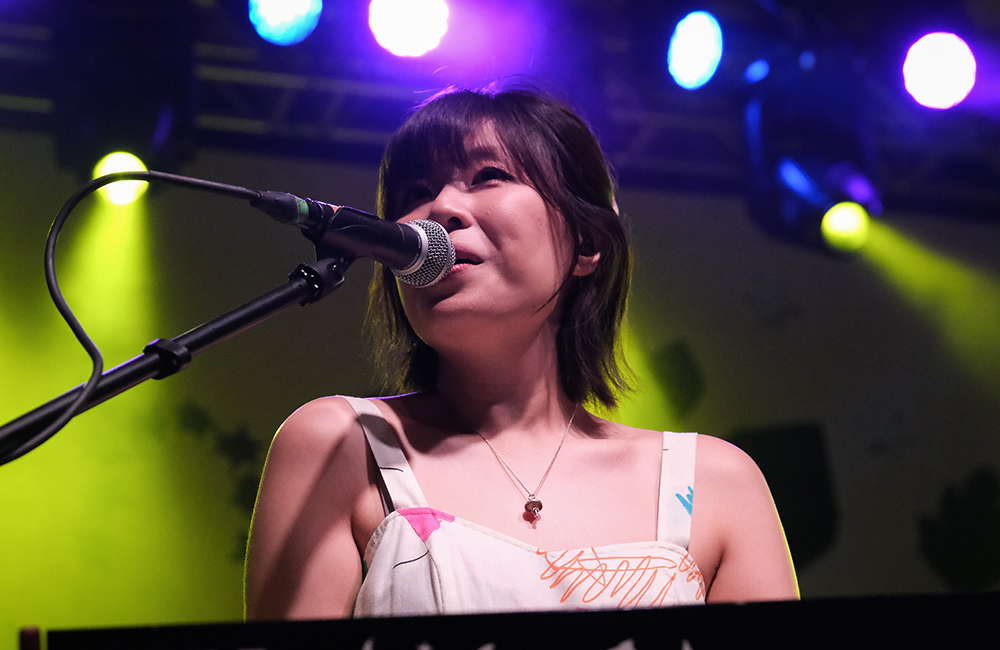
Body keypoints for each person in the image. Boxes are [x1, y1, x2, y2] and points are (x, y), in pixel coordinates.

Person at [244, 86, 798, 620]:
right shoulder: (341, 444)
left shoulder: (714, 482)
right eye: (415, 192)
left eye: (490, 176)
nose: (440, 208)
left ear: (586, 243)